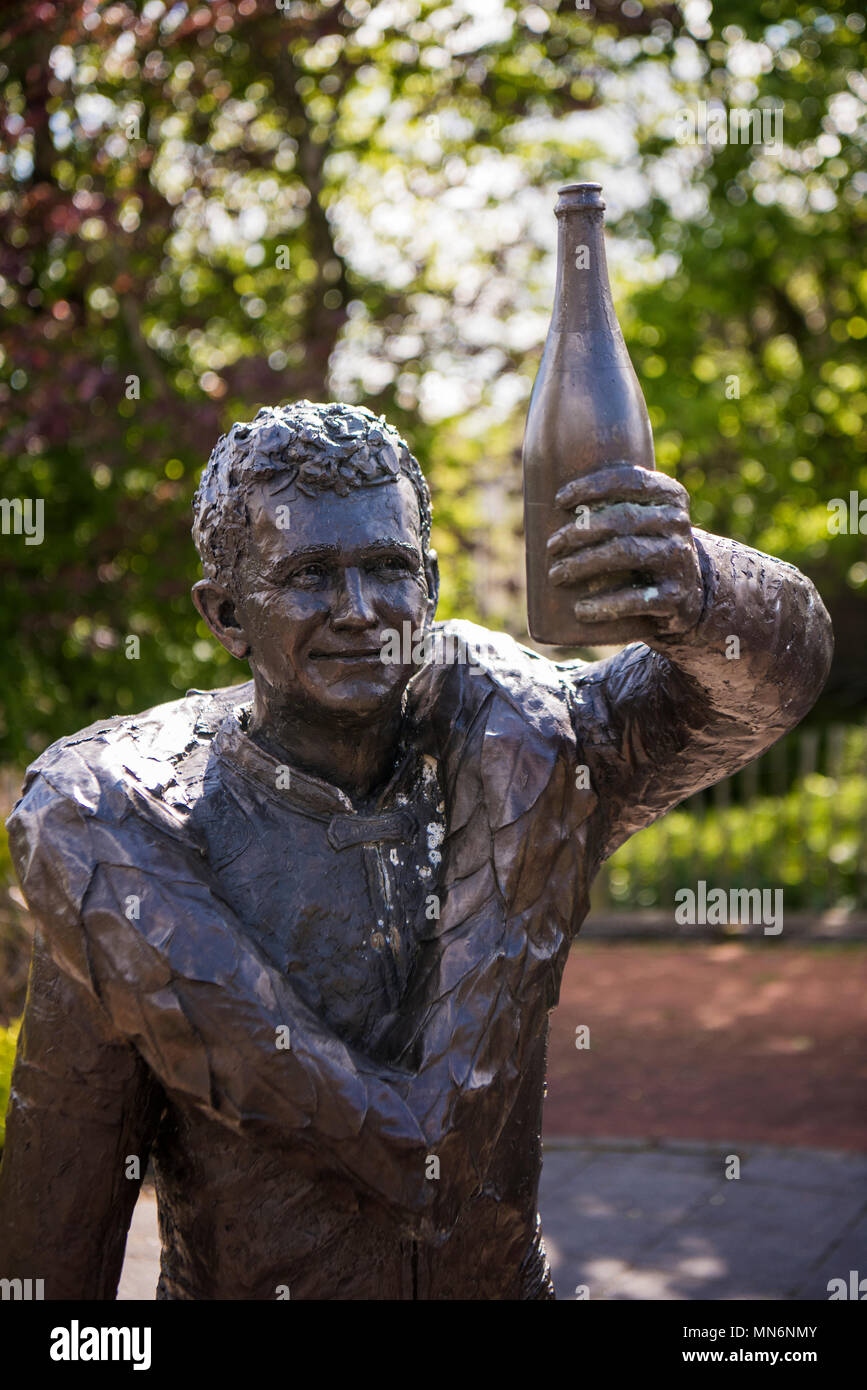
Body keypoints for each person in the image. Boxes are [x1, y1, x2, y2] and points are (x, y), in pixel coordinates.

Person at [0, 400, 832, 1299]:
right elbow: (55, 1233)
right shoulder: (137, 834)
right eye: (309, 575)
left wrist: (702, 582)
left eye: (386, 569)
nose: (358, 611)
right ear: (227, 614)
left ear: (429, 584)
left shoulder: (535, 744)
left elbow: (769, 685)